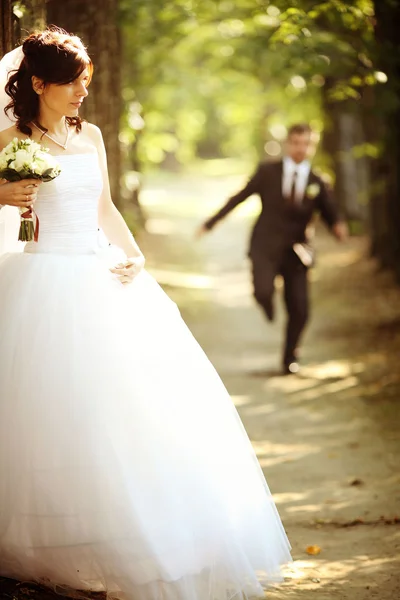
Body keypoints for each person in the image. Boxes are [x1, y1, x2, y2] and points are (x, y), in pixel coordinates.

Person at [0, 28, 291, 599]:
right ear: (39, 84)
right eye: (74, 83)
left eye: (87, 81)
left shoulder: (94, 137)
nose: (84, 92)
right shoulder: (10, 138)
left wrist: (133, 255)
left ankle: (129, 542)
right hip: (44, 281)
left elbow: (104, 206)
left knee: (126, 413)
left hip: (101, 275)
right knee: (51, 415)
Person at [198, 124, 347, 374]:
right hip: (264, 247)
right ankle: (266, 305)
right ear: (288, 144)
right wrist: (211, 222)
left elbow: (330, 210)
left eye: (306, 144)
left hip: (297, 252)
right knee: (263, 291)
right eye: (296, 143)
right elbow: (240, 196)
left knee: (300, 309)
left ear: (312, 147)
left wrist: (338, 226)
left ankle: (289, 358)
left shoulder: (317, 181)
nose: (300, 148)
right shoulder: (268, 172)